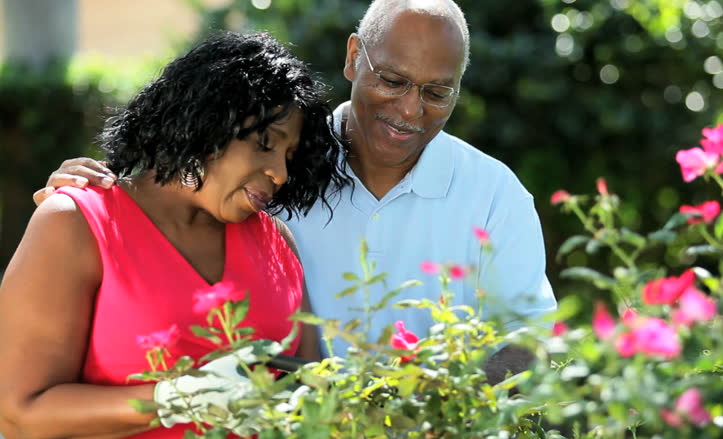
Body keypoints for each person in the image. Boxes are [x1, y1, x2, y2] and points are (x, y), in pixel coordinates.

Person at [34, 0, 556, 382]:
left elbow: (526, 342)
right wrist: (101, 197)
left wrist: (417, 412)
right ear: (354, 57)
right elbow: (171, 227)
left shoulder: (494, 195)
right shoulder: (267, 167)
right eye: (393, 81)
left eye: (437, 92)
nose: (410, 109)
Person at [0, 31, 348, 439]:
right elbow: (21, 416)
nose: (280, 173)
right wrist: (175, 398)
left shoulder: (276, 243)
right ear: (206, 120)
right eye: (266, 142)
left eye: (289, 154)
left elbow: (311, 390)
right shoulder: (77, 223)